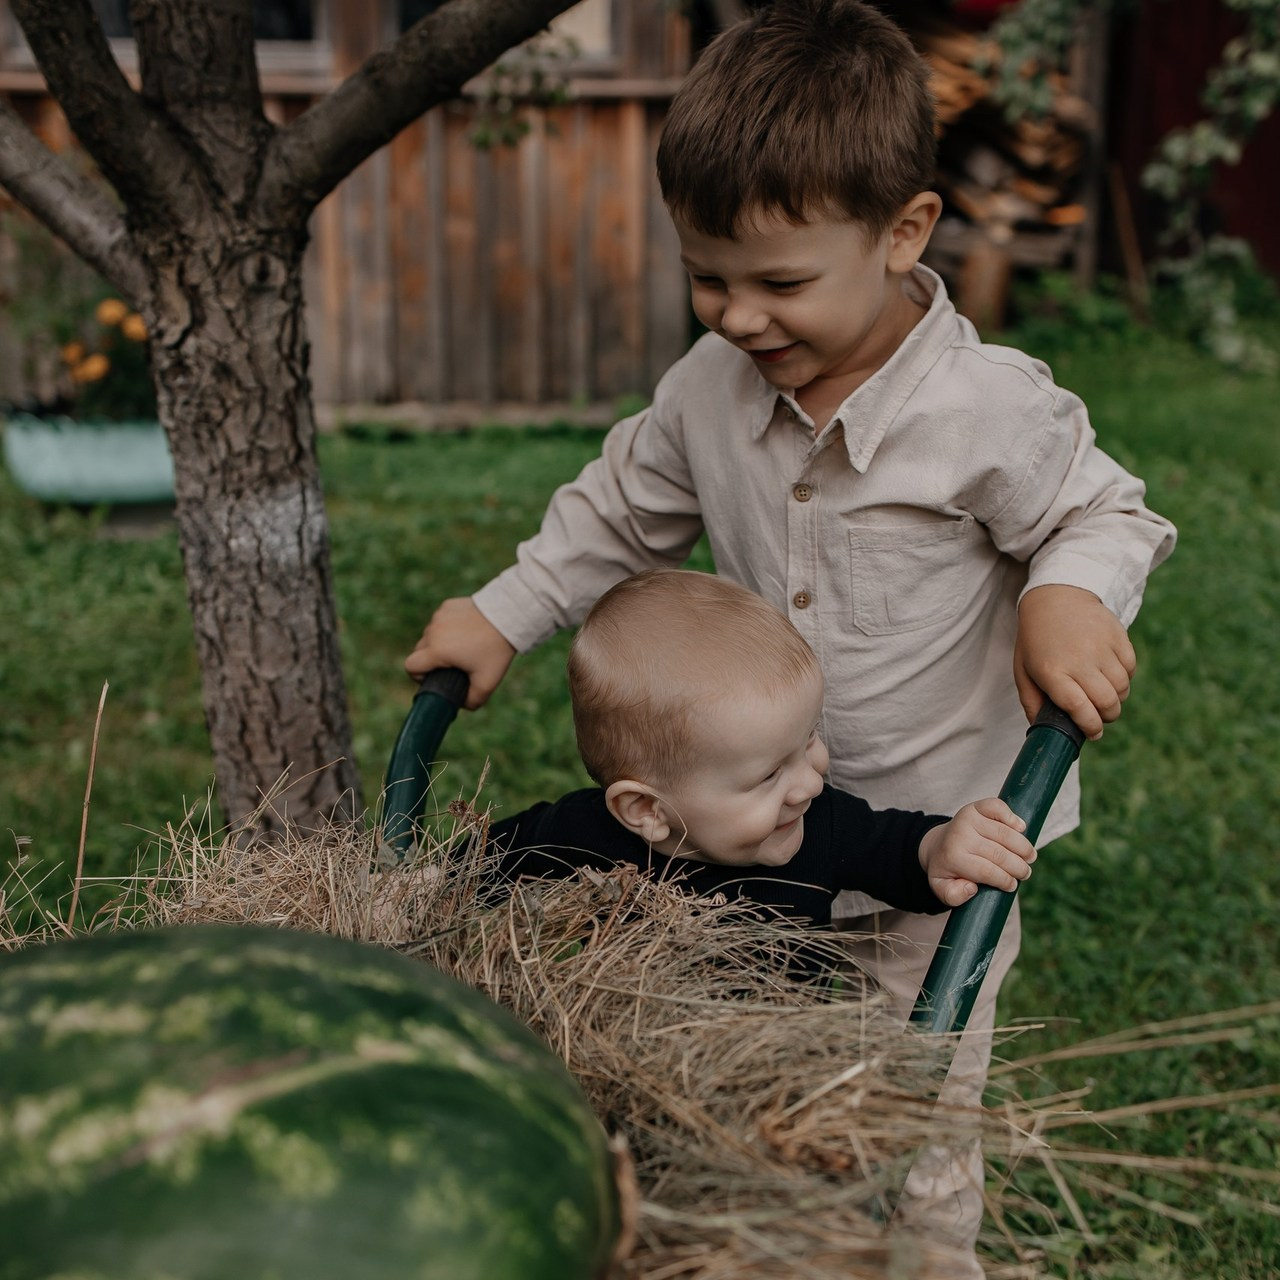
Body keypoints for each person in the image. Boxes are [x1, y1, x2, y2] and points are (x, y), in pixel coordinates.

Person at [405, 1, 1176, 1269]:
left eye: (779, 282)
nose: (736, 316)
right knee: (743, 1085)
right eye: (706, 276)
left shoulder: (985, 411)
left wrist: (1067, 592)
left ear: (902, 233)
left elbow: (1107, 509)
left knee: (904, 1110)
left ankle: (922, 1259)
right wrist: (504, 613)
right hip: (745, 822)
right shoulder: (707, 392)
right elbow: (618, 511)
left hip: (937, 840)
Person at [488, 570, 1037, 931]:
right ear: (647, 811)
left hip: (780, 1084)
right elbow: (485, 861)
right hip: (629, 1069)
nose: (810, 784)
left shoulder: (818, 826)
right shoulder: (581, 837)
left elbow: (894, 848)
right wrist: (417, 889)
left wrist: (940, 848)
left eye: (808, 742)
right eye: (769, 775)